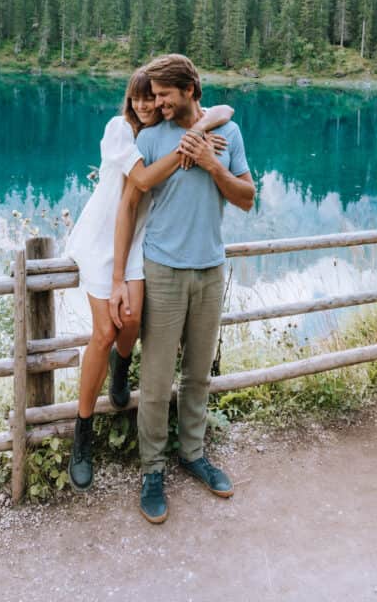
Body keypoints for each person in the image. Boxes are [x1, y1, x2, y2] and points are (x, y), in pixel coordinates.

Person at [65, 67, 234, 491]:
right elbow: (140, 180)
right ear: (129, 98)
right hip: (104, 240)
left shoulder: (162, 126)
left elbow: (224, 107)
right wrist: (190, 149)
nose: (148, 104)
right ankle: (82, 432)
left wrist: (201, 126)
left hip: (142, 242)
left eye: (154, 97)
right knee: (104, 332)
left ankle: (122, 370)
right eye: (141, 97)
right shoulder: (121, 130)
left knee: (135, 320)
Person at [111, 54, 254, 523]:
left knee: (197, 374)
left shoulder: (227, 135)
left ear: (190, 89)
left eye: (164, 95)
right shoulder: (150, 139)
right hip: (164, 271)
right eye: (153, 95)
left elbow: (248, 198)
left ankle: (193, 453)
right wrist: (119, 277)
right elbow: (128, 205)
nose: (157, 103)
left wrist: (214, 165)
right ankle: (152, 468)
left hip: (210, 270)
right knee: (154, 381)